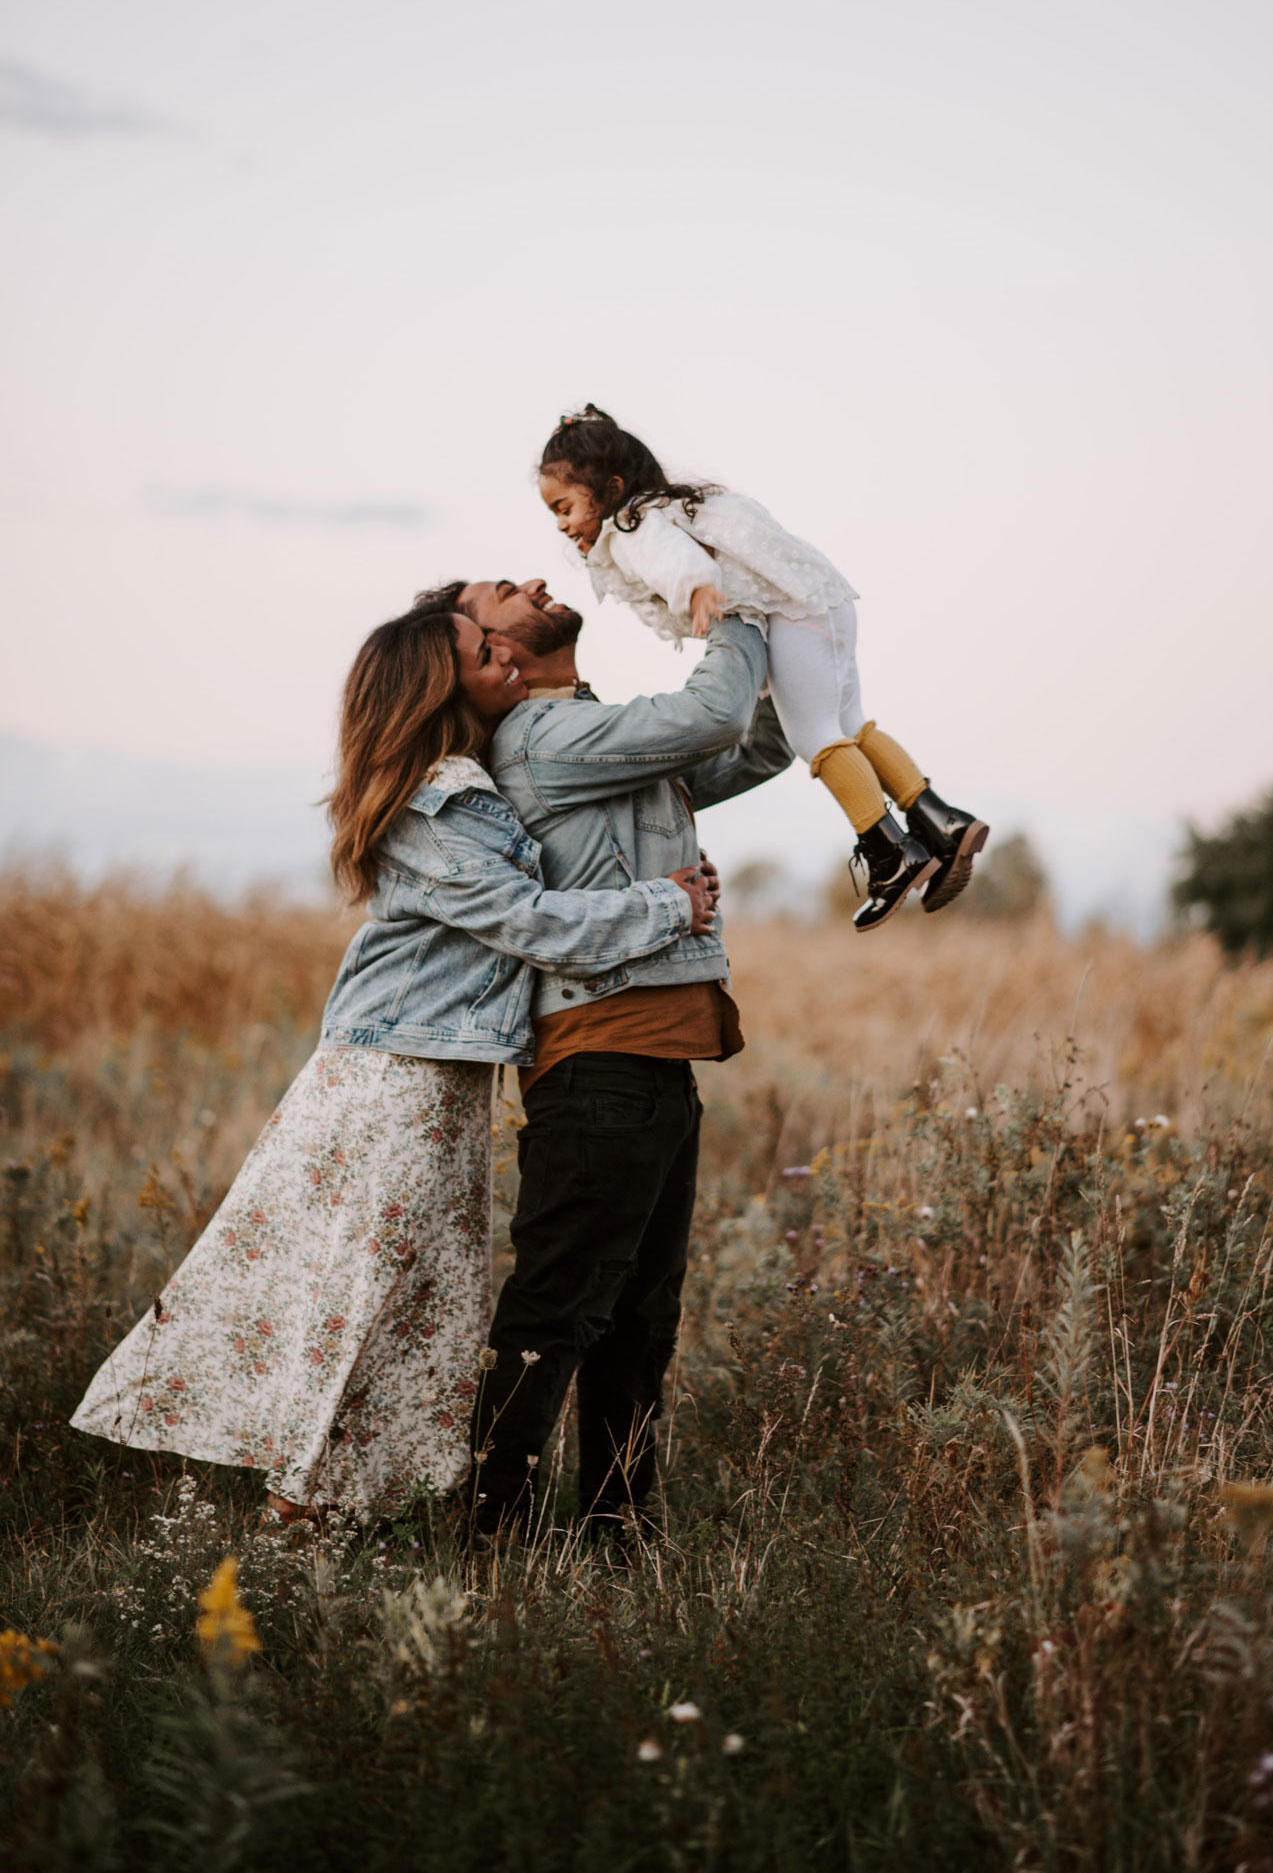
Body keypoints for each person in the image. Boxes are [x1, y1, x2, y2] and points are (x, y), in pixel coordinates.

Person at [70, 603, 715, 1522]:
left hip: (440, 1080)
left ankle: (353, 1497)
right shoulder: (432, 799)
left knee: (416, 1299)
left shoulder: (483, 775)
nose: (505, 652)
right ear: (434, 684)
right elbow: (526, 922)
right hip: (395, 1078)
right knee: (366, 1289)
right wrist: (664, 906)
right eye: (481, 648)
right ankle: (308, 1505)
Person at [417, 577, 791, 1540]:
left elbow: (755, 740)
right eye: (499, 599)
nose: (533, 584)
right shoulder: (543, 740)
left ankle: (615, 1535)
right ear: (488, 652)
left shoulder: (592, 735)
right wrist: (738, 602)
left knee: (638, 1319)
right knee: (556, 1312)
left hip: (651, 1060)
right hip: (599, 1059)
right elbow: (713, 711)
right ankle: (490, 1537)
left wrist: (813, 667)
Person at [535, 403, 989, 930]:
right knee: (852, 726)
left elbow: (672, 560)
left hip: (789, 617)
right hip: (822, 601)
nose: (563, 525)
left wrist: (697, 588)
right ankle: (942, 821)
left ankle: (891, 852)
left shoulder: (633, 528)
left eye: (564, 507)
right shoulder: (674, 506)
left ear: (609, 489)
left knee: (815, 739)